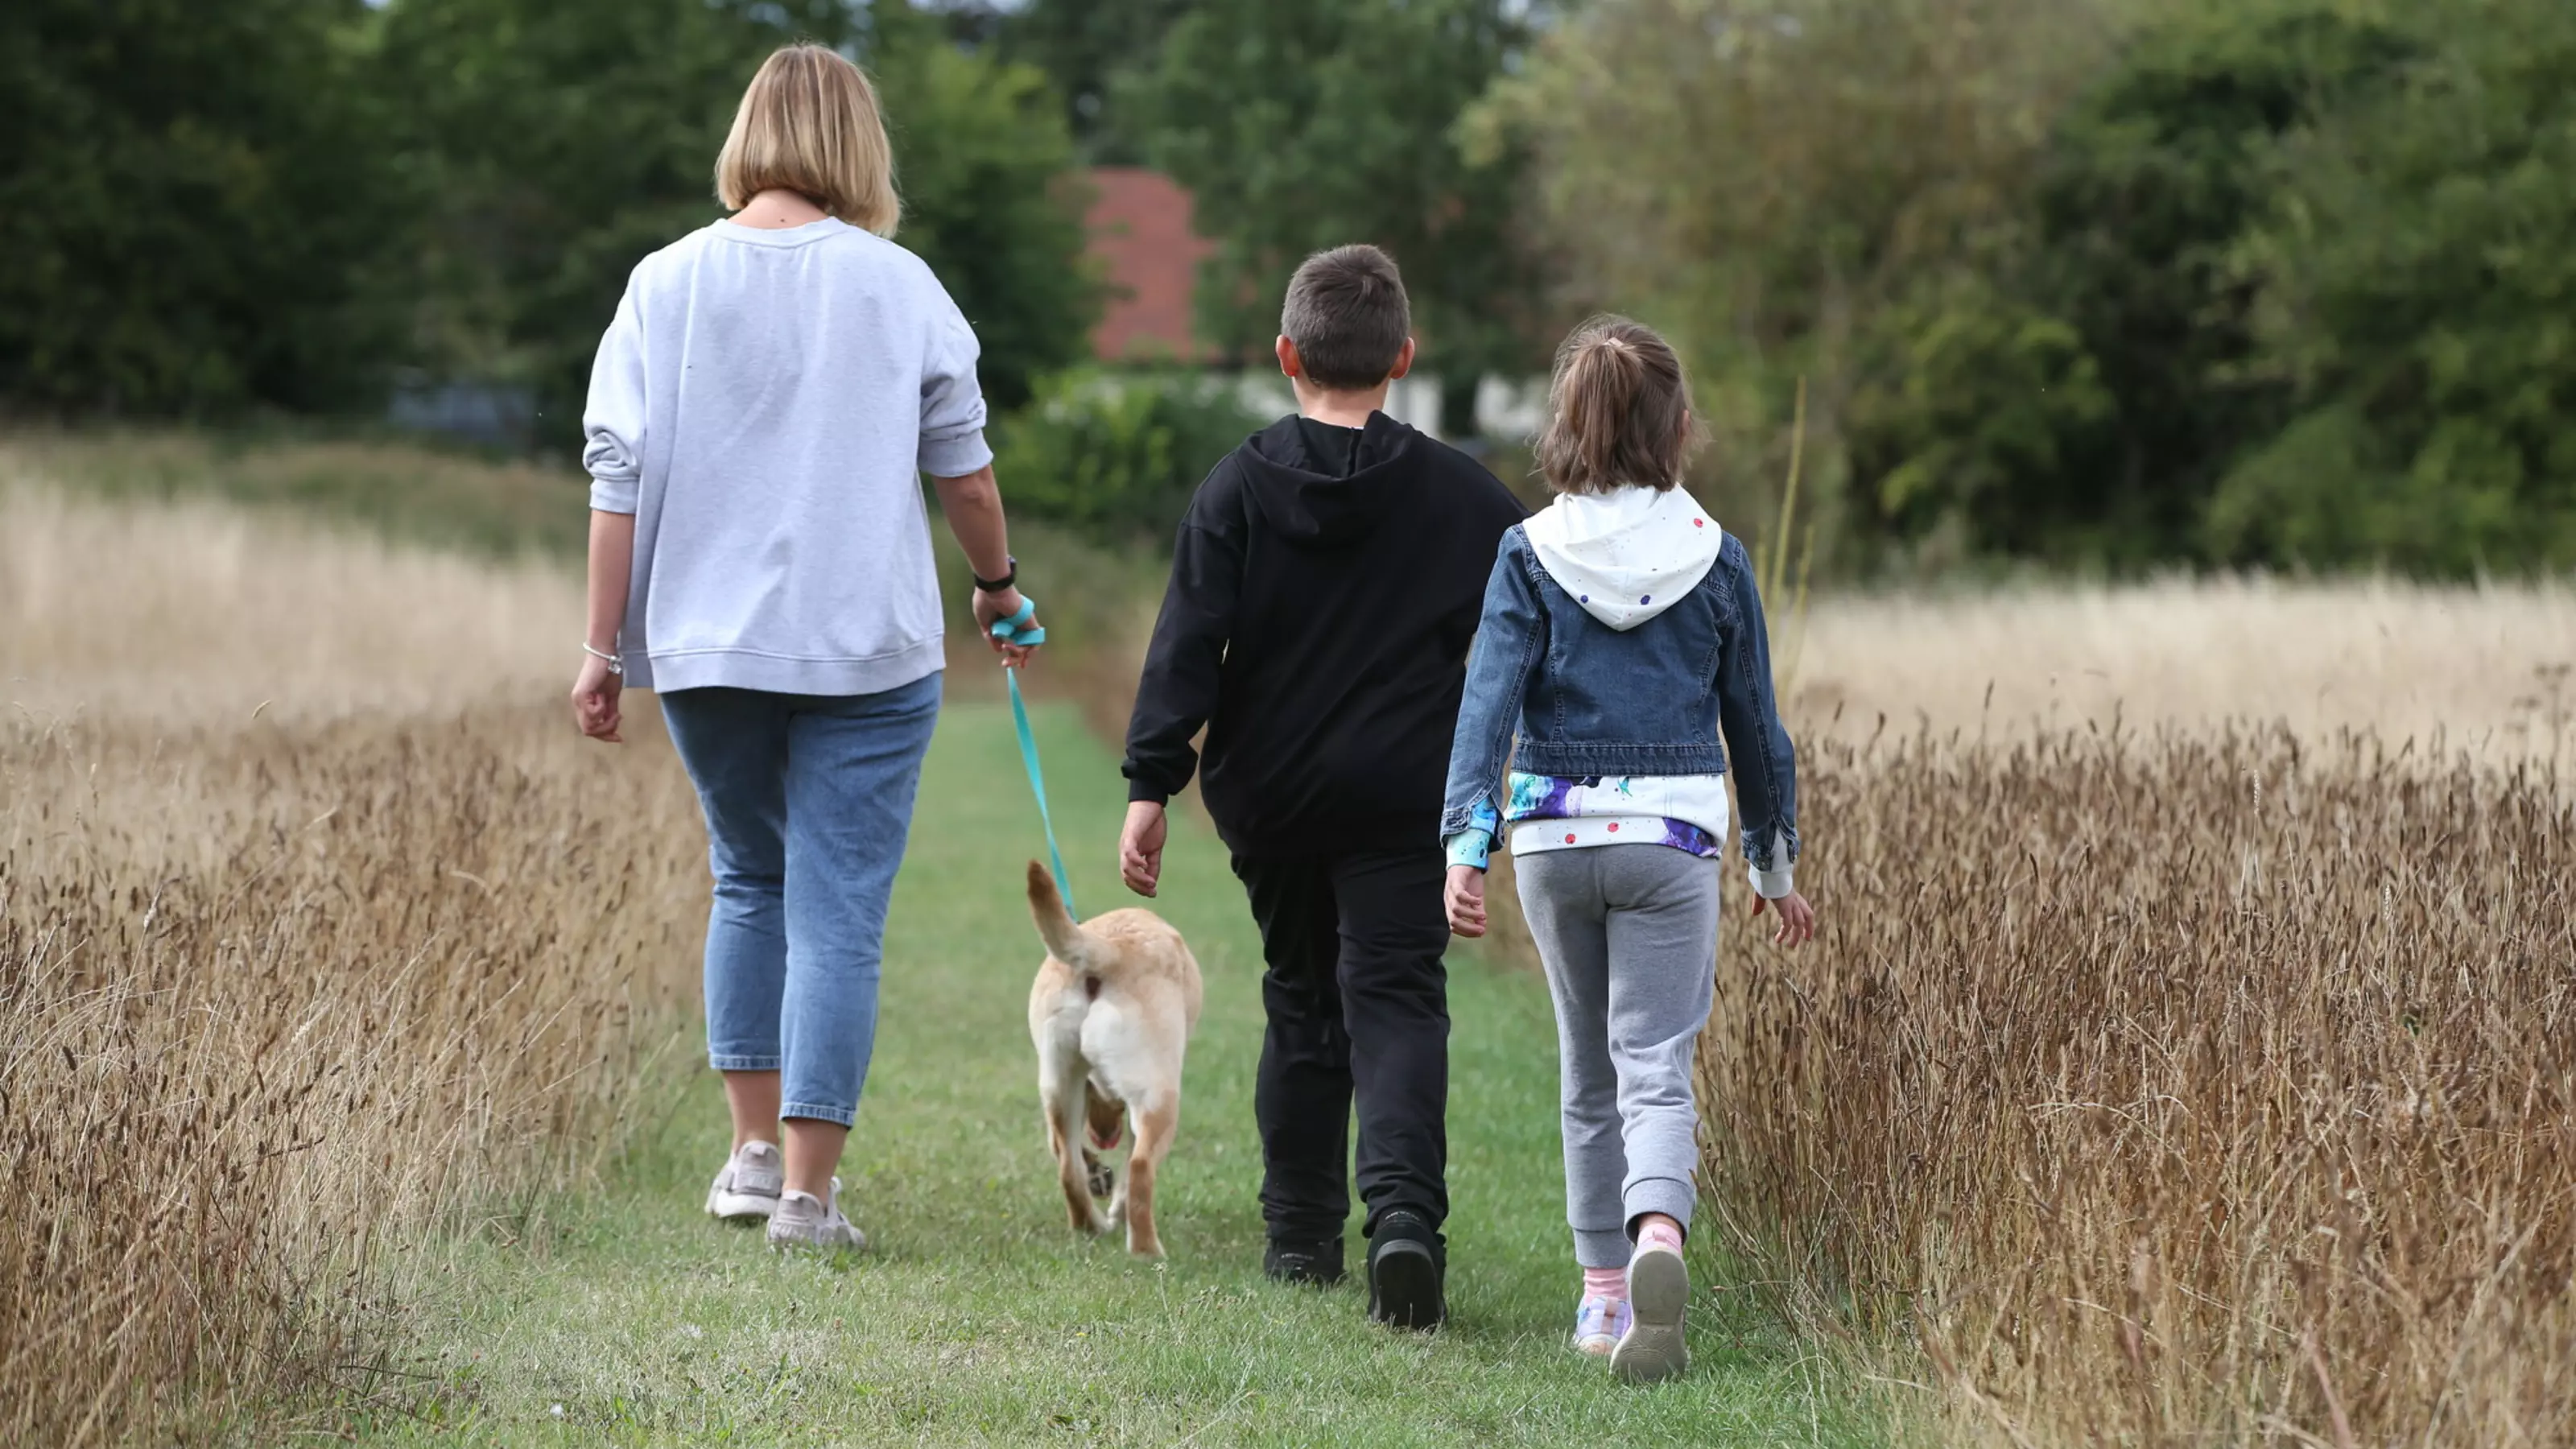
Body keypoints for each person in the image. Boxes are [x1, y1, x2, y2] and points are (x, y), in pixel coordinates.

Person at [570, 43, 1040, 1252]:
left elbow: (614, 481)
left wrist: (602, 650)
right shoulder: (902, 285)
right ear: (860, 146)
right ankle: (809, 1200)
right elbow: (969, 474)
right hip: (868, 652)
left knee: (749, 879)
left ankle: (746, 1156)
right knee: (836, 913)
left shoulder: (662, 283)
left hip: (705, 643)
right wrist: (996, 588)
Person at [1117, 245, 1525, 1328]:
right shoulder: (1465, 498)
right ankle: (1401, 1225)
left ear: (1287, 355)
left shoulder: (1239, 486)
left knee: (1300, 997)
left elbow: (1187, 641)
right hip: (1406, 800)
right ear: (1402, 357)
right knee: (1396, 1000)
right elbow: (1523, 634)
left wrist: (1152, 782)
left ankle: (1300, 1236)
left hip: (1274, 798)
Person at [1439, 316, 1816, 1384]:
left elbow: (1485, 704)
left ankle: (1603, 1304)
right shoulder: (1717, 556)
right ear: (1679, 429)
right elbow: (1757, 726)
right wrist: (1773, 867)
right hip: (1673, 840)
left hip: (1556, 842)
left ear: (1564, 429)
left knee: (1586, 1073)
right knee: (1657, 1066)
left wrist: (1469, 845)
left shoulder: (1529, 551)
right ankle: (1661, 1237)